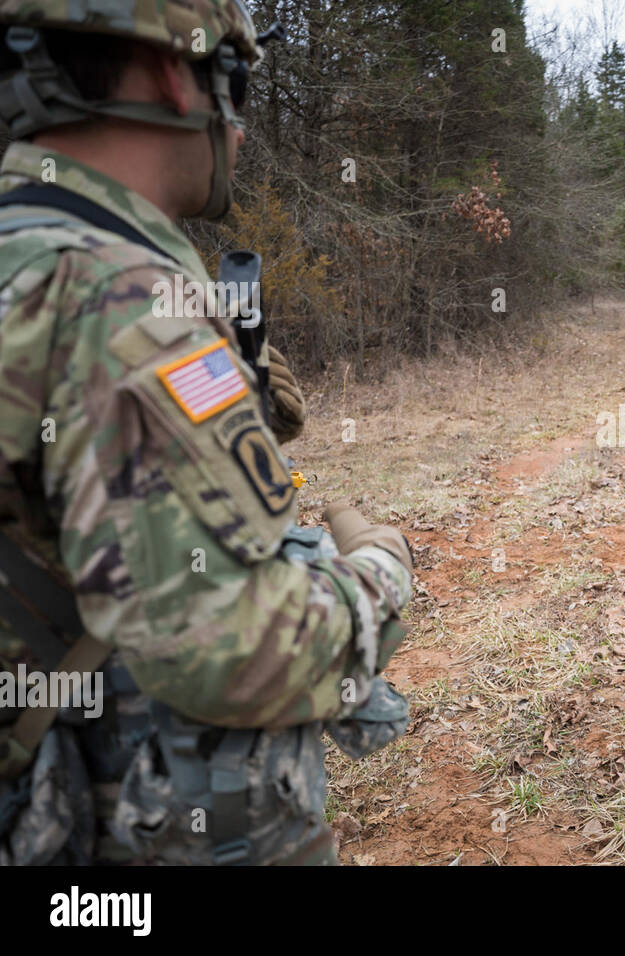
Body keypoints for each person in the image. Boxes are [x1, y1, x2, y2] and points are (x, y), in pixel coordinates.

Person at [0, 0, 412, 865]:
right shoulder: (120, 293)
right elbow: (225, 651)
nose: (243, 131)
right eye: (237, 85)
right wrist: (378, 575)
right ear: (169, 75)